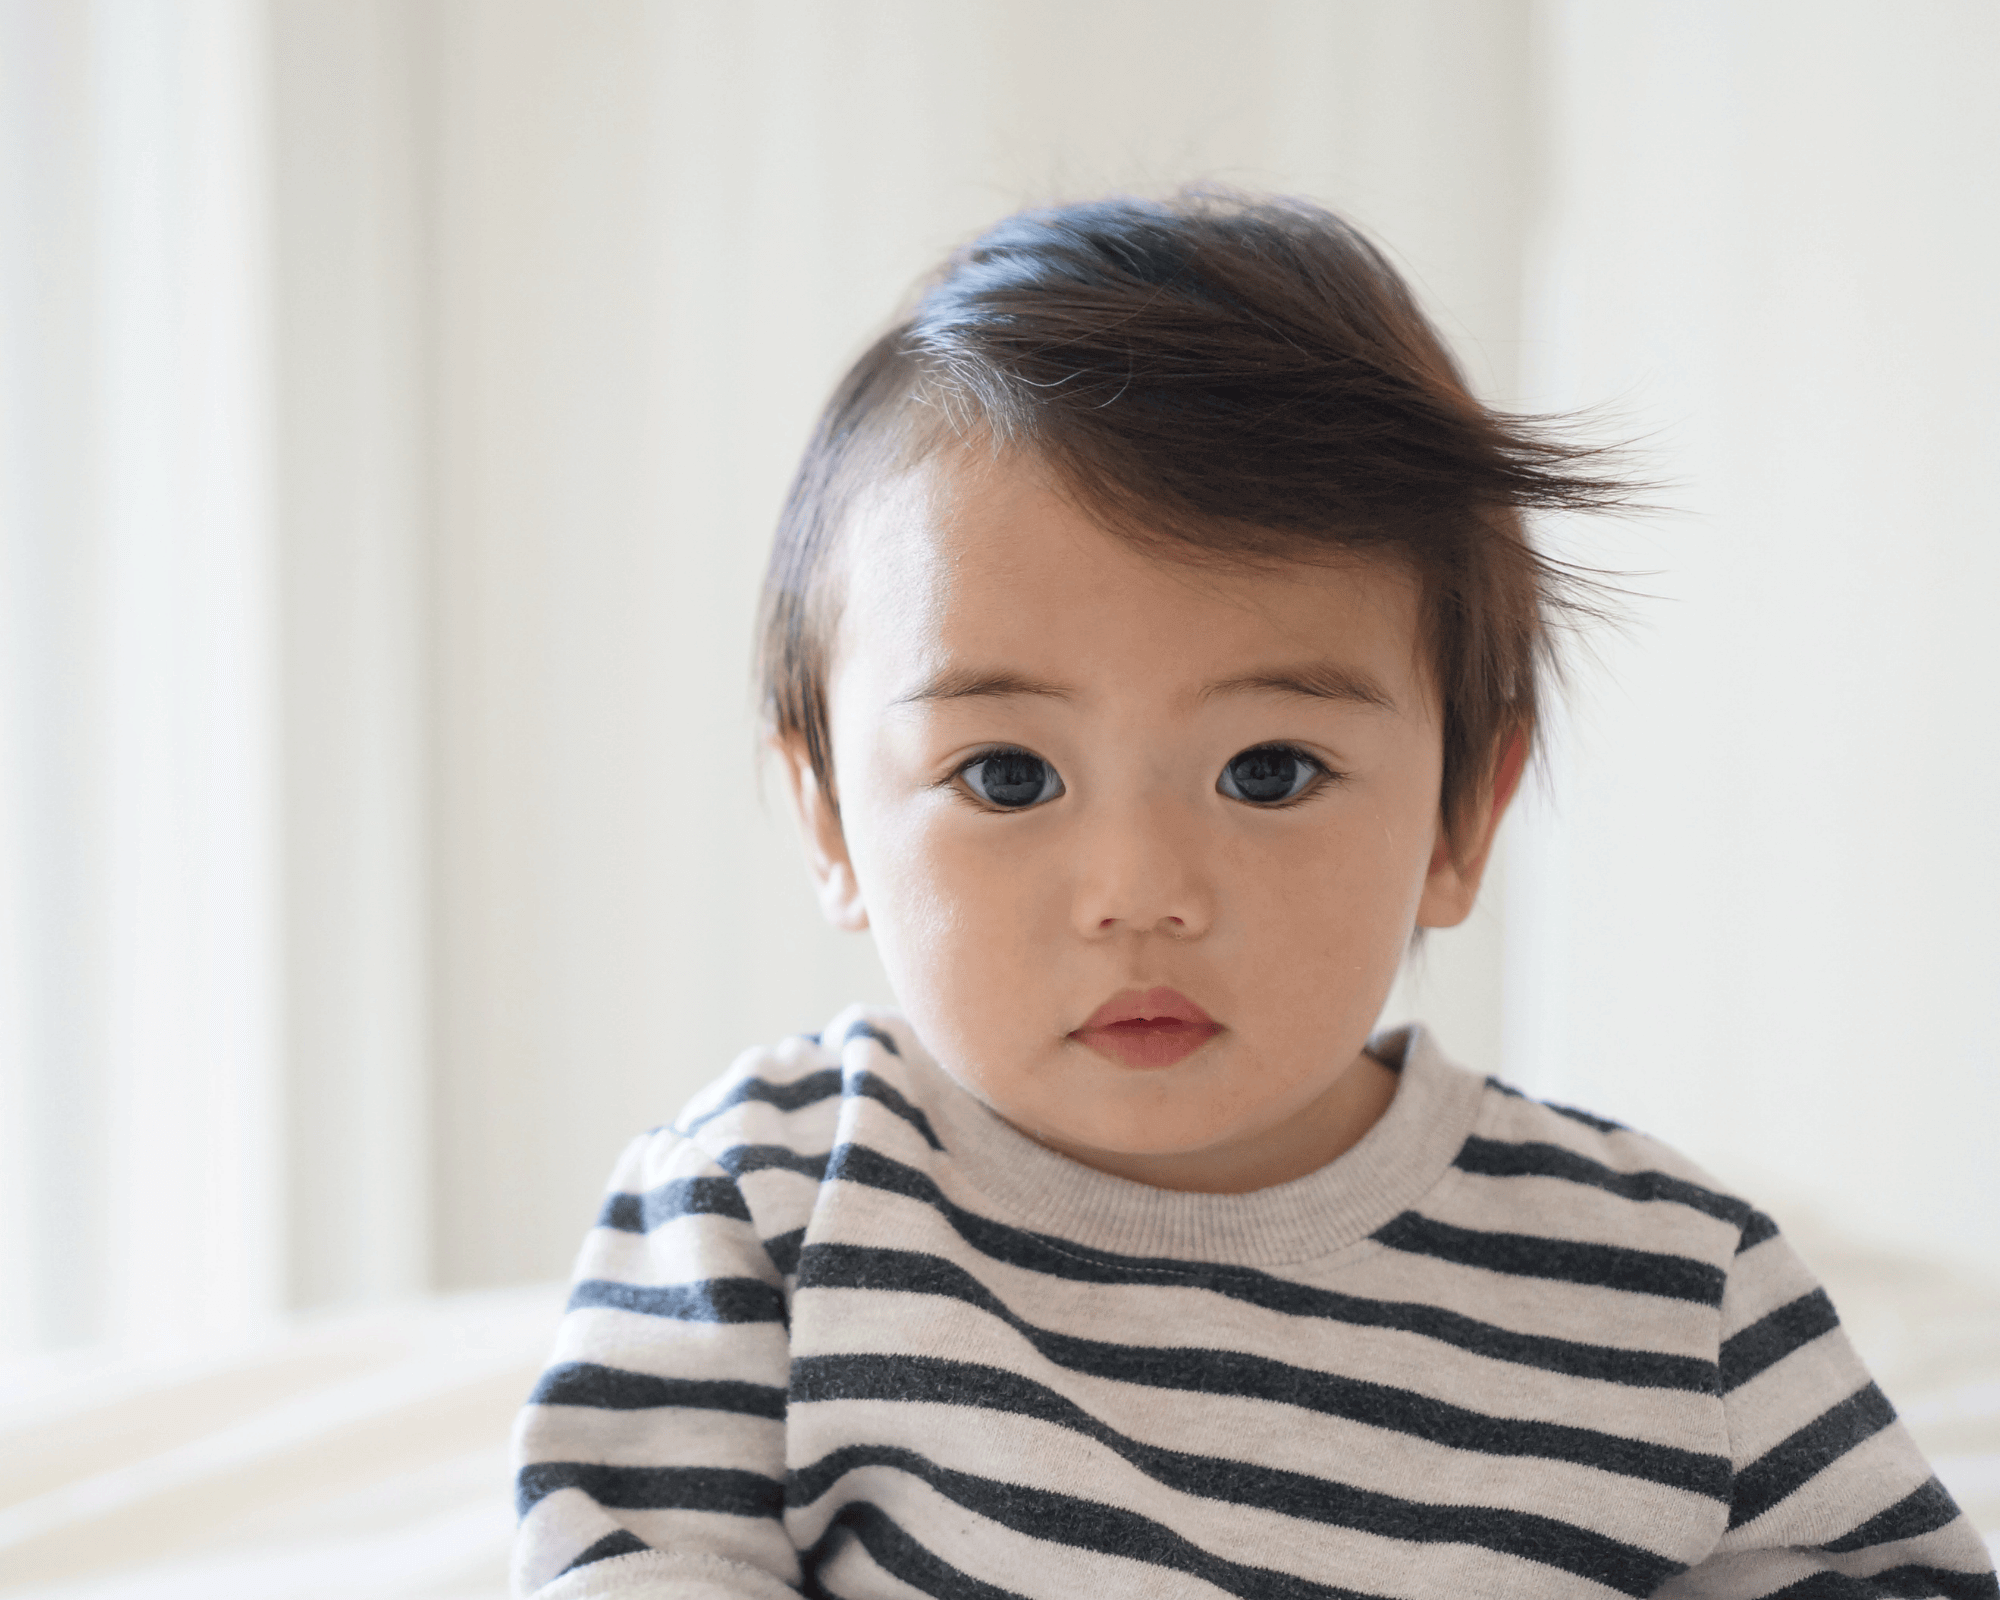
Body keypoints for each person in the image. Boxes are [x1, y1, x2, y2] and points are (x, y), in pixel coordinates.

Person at [509, 192, 1996, 1599]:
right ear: (829, 812)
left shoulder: (1675, 1291)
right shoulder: (762, 1206)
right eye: (1009, 777)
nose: (1140, 894)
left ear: (1460, 818)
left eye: (1270, 771)